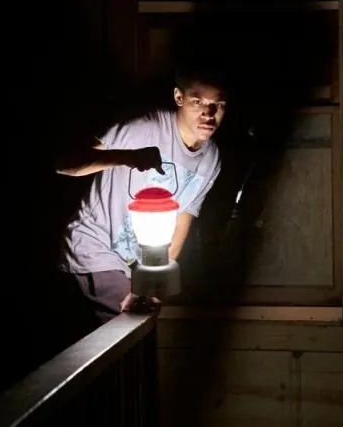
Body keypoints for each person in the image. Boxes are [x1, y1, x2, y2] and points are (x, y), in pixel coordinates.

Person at [54, 67, 227, 334]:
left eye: (218, 105)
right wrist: (128, 157)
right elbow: (65, 163)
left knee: (140, 330)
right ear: (179, 98)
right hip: (94, 250)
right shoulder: (144, 129)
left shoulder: (210, 159)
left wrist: (152, 285)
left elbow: (181, 222)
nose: (209, 113)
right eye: (198, 102)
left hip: (132, 267)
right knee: (127, 330)